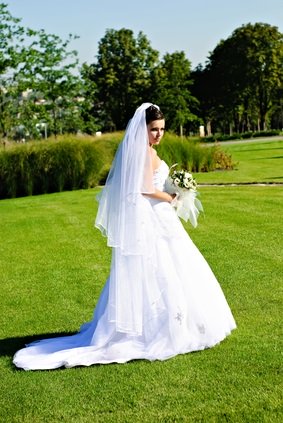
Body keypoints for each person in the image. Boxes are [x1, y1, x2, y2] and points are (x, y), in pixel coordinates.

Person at [13, 103, 236, 370]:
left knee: (172, 267)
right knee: (157, 268)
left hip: (161, 215)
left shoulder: (150, 151)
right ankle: (156, 328)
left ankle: (175, 320)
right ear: (142, 128)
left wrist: (174, 189)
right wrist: (170, 196)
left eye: (162, 129)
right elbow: (143, 188)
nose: (158, 135)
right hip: (152, 216)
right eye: (154, 129)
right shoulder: (141, 153)